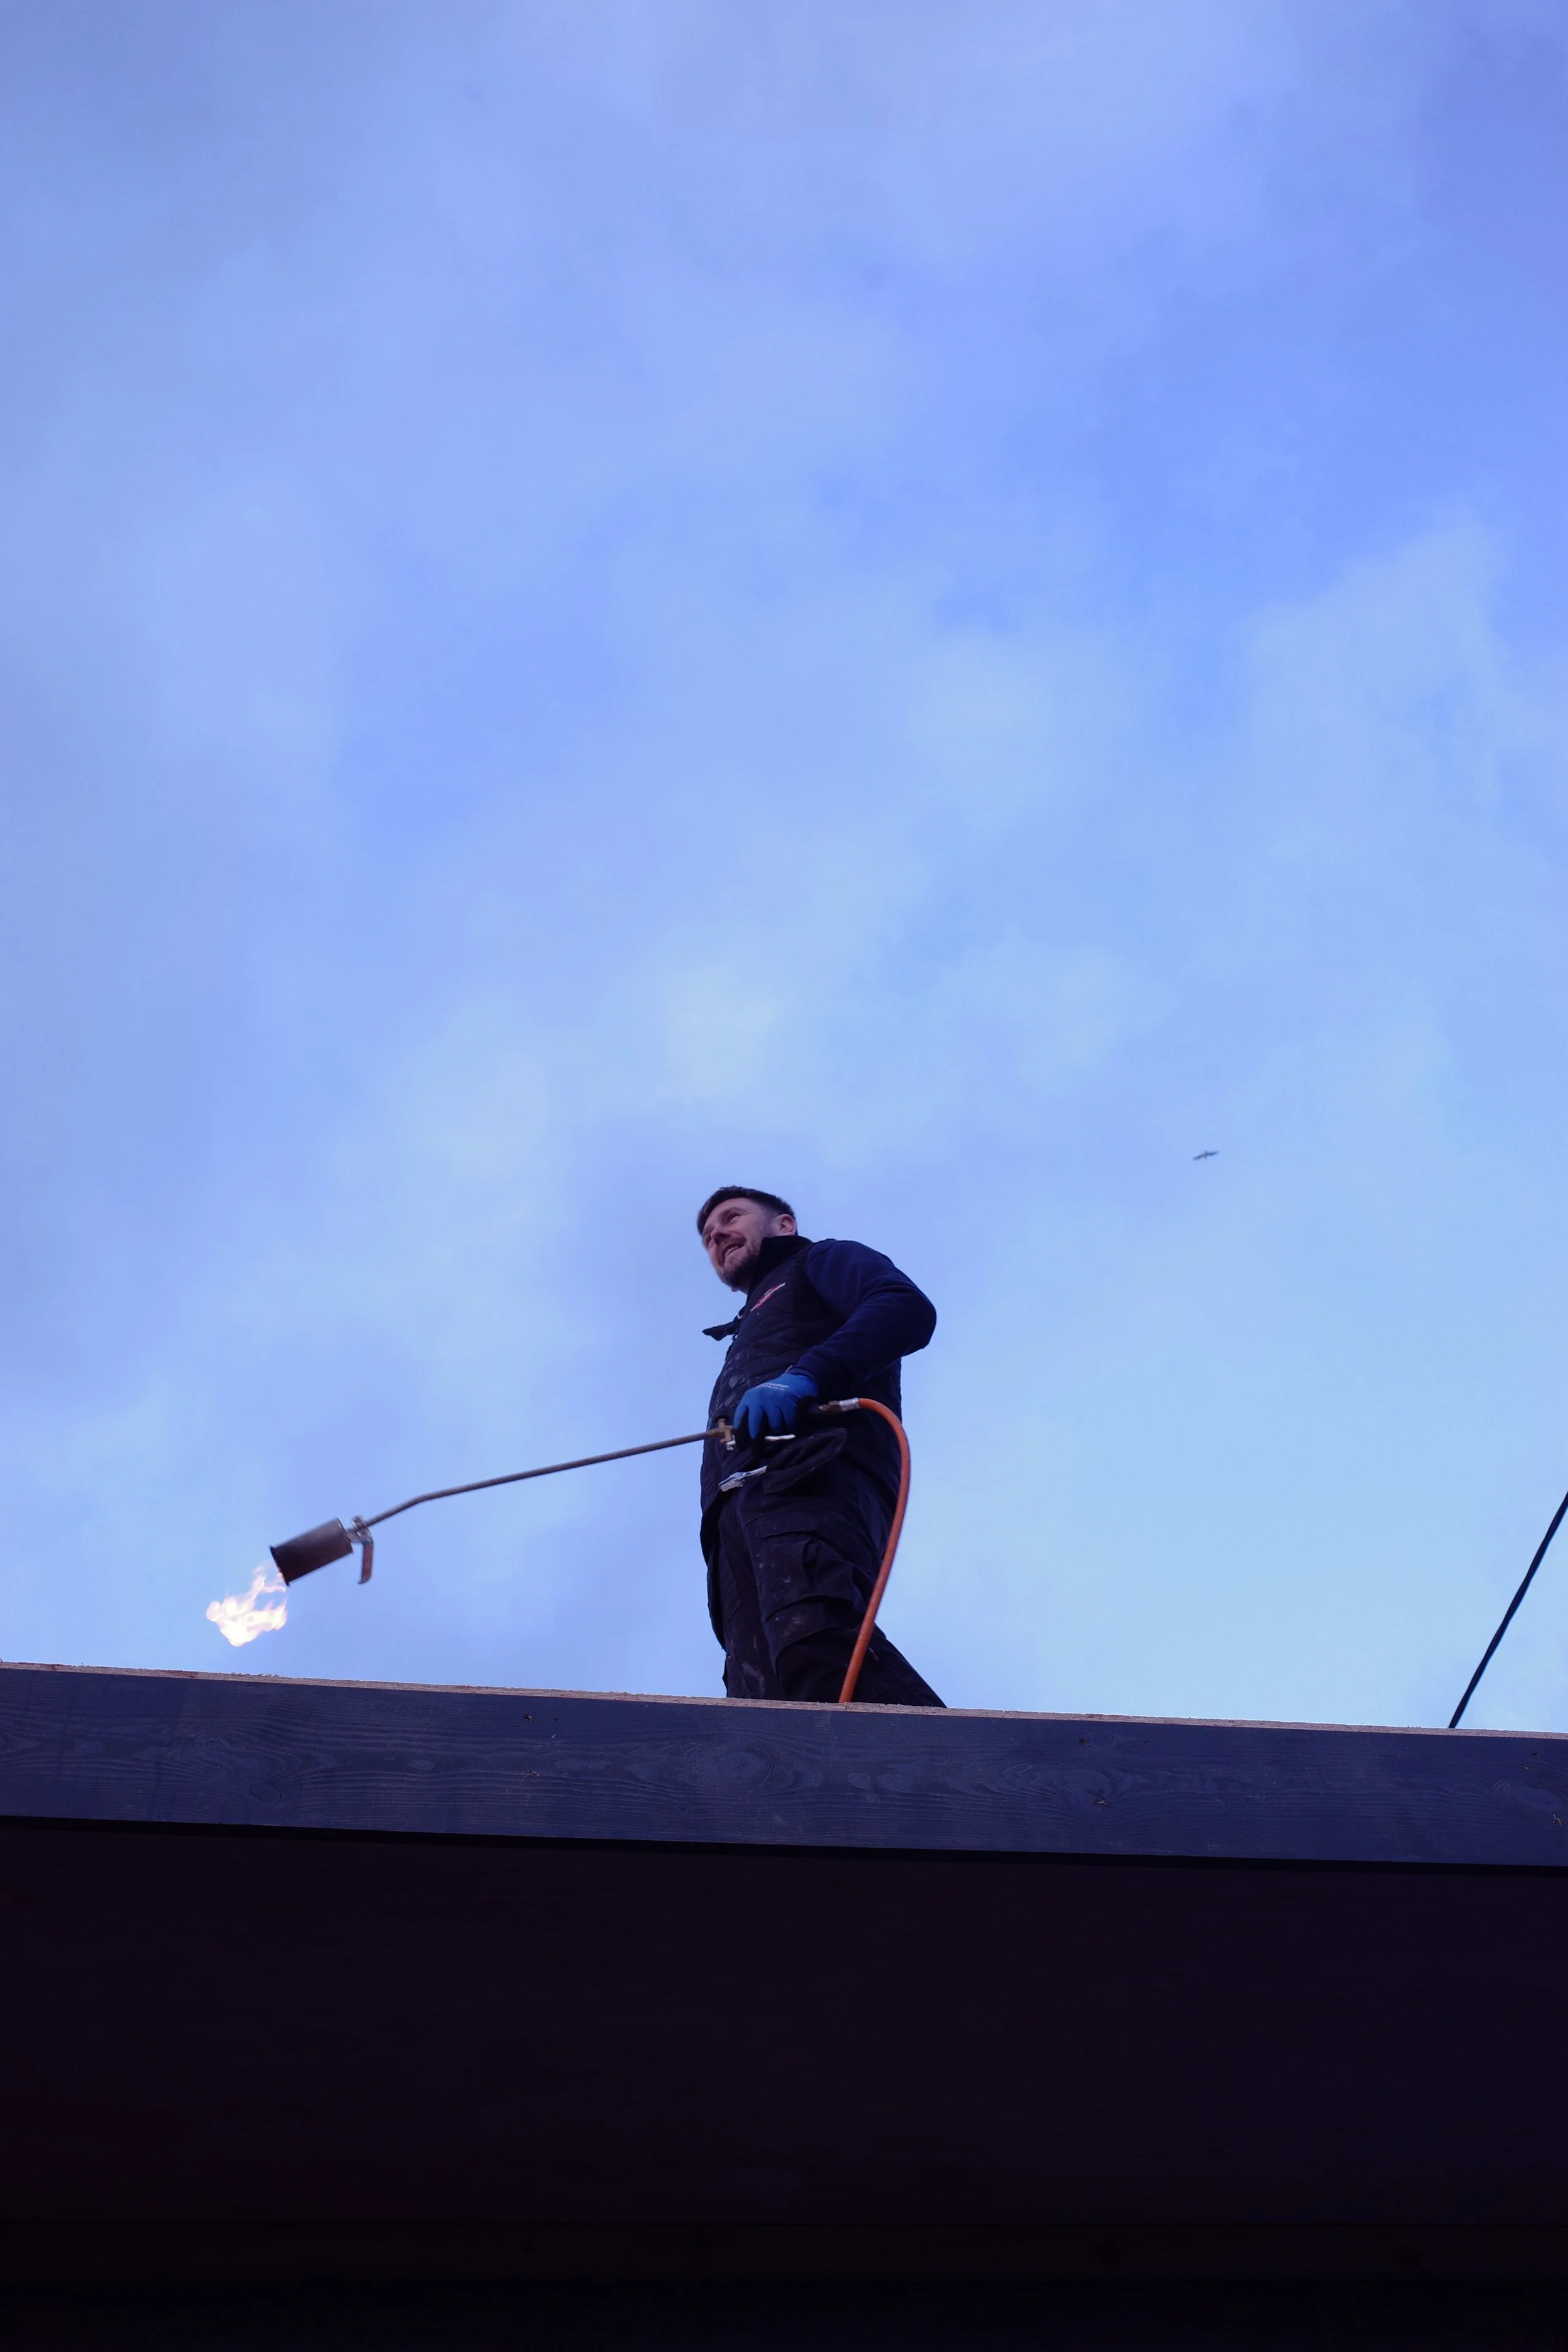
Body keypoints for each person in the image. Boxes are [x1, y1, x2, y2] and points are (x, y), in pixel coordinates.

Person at [696, 1186, 943, 1707]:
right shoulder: (749, 1327)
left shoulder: (819, 1260)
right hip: (734, 1515)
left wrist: (804, 1378)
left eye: (731, 1217)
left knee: (813, 1641)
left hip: (810, 1472)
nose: (716, 1235)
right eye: (708, 1236)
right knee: (756, 1693)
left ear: (783, 1225)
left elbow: (903, 1308)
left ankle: (973, 1780)